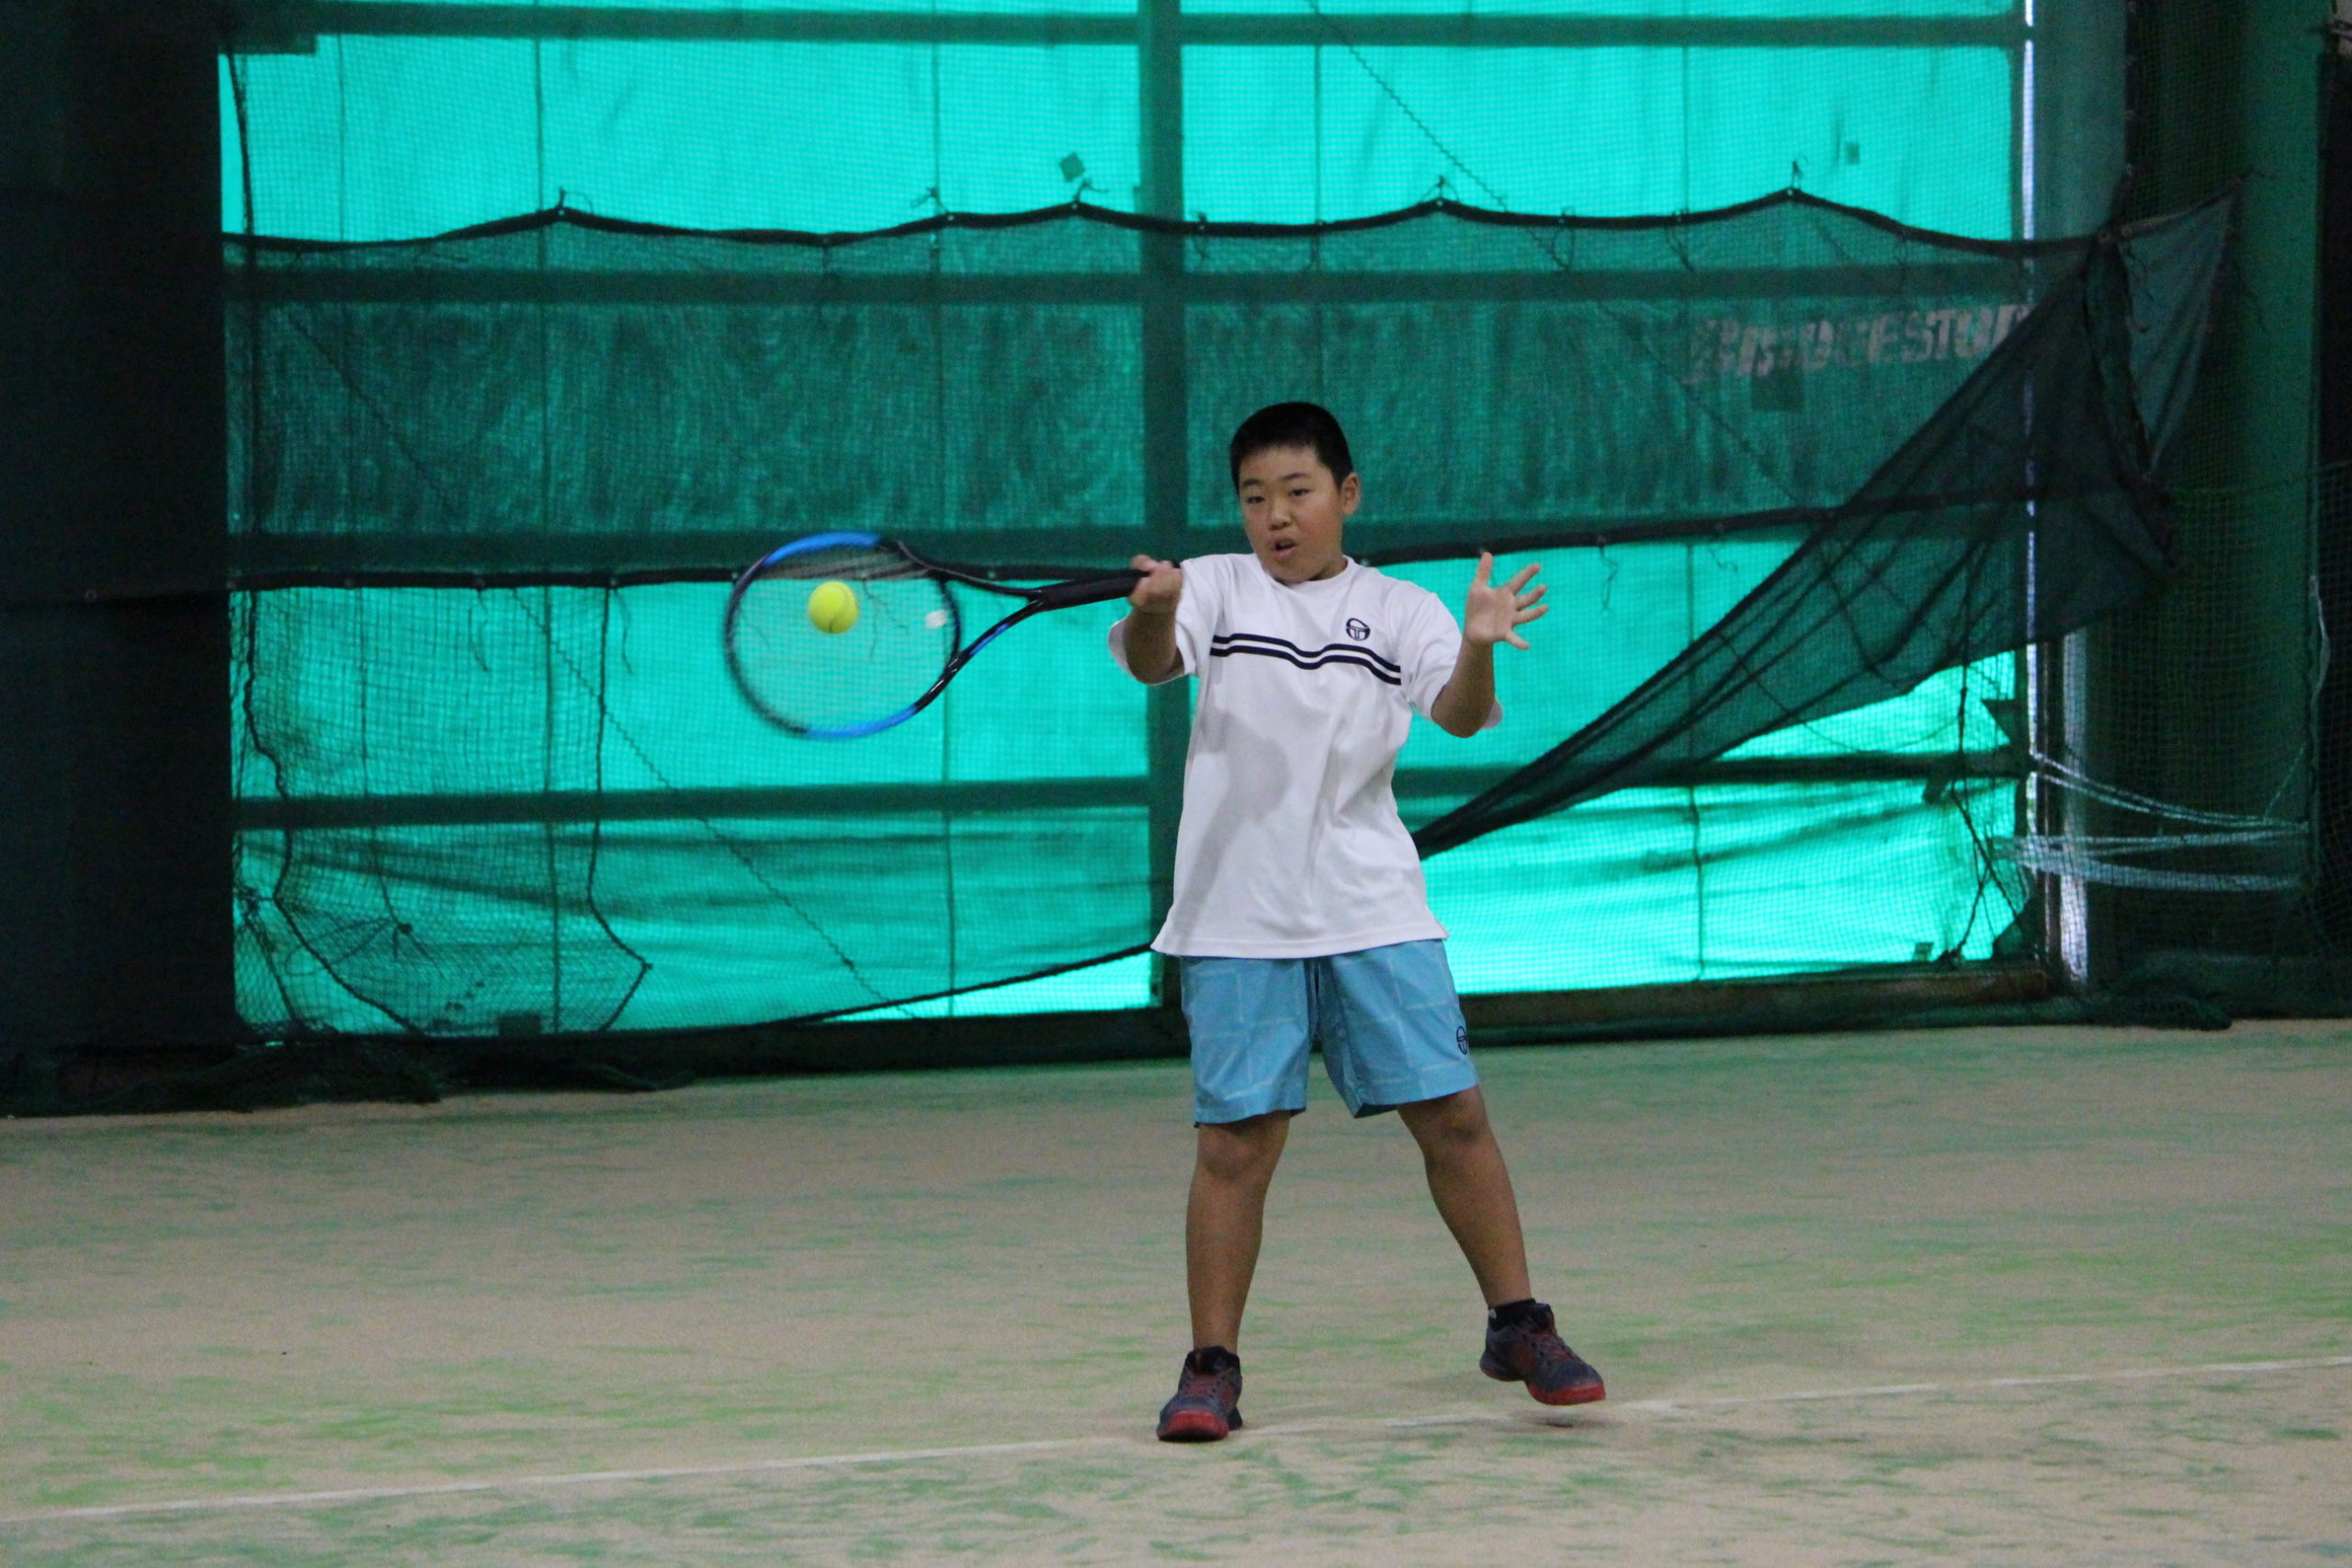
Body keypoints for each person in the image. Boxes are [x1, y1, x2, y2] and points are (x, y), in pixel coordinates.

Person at [1112, 400, 1605, 1444]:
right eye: (1255, 498)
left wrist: (1479, 645)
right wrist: (1155, 608)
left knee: (1455, 1117)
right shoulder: (1213, 586)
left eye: (1297, 492)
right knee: (1234, 1147)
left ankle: (1519, 1324)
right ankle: (1210, 1369)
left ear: (1346, 494)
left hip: (1373, 906)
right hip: (1236, 920)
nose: (1276, 517)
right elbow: (1153, 661)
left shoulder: (1401, 608)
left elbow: (1459, 714)